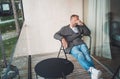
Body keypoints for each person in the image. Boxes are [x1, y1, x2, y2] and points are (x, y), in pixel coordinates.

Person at [54, 14, 102, 79]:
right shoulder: (64, 29)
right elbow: (55, 35)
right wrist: (62, 39)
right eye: (75, 20)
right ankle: (92, 70)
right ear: (71, 20)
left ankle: (93, 74)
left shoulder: (80, 27)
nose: (77, 21)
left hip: (80, 43)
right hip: (71, 46)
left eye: (78, 19)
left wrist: (83, 25)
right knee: (80, 54)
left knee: (87, 55)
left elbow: (88, 33)